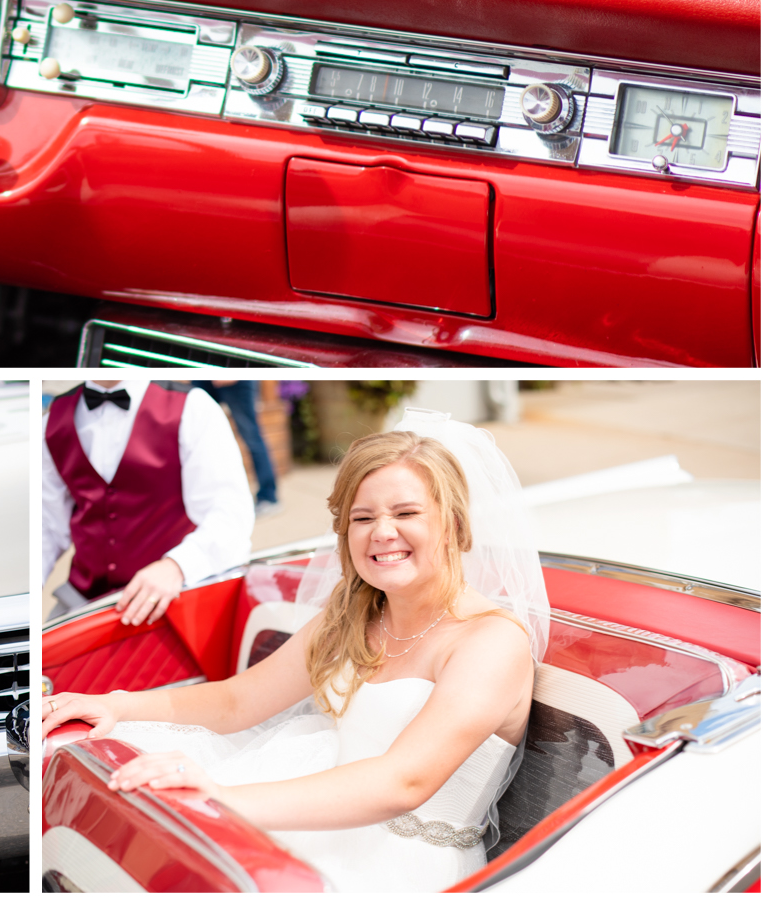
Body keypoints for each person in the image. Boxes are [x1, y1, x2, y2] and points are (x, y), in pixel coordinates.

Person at [41, 410, 547, 893]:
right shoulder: (352, 613)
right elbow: (239, 703)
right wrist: (116, 703)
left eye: (407, 512)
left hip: (402, 868)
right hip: (311, 816)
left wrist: (218, 799)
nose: (381, 532)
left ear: (455, 524)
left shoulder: (490, 642)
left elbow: (404, 782)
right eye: (362, 517)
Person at [42, 376, 254, 622]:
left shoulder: (192, 406)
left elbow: (230, 514)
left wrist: (178, 565)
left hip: (174, 596)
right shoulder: (53, 419)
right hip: (83, 603)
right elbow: (46, 526)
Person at [204, 379, 278, 508]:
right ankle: (212, 499)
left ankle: (268, 497)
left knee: (251, 436)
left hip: (238, 380)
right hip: (204, 379)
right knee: (202, 435)